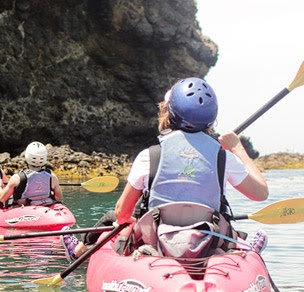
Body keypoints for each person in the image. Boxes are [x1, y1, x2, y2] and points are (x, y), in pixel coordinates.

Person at [61, 77, 269, 261]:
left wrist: (130, 222)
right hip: (209, 241)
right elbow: (261, 193)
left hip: (157, 242)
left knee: (117, 223)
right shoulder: (223, 157)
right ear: (211, 118)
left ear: (170, 113)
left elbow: (121, 212)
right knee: (231, 233)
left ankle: (80, 250)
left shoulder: (149, 156)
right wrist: (237, 149)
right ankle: (247, 252)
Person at [0, 141, 65, 208]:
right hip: (45, 207)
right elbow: (58, 196)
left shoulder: (17, 178)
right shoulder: (52, 177)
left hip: (24, 209)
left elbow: (2, 198)